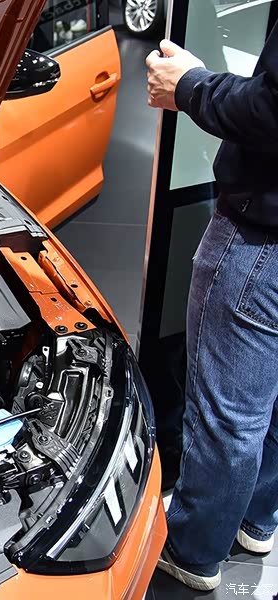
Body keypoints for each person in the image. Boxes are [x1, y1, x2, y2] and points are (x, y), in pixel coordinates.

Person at [145, 21, 278, 591]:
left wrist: (191, 85)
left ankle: (194, 550)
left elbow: (272, 109)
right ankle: (256, 517)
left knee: (228, 417)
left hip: (262, 240)